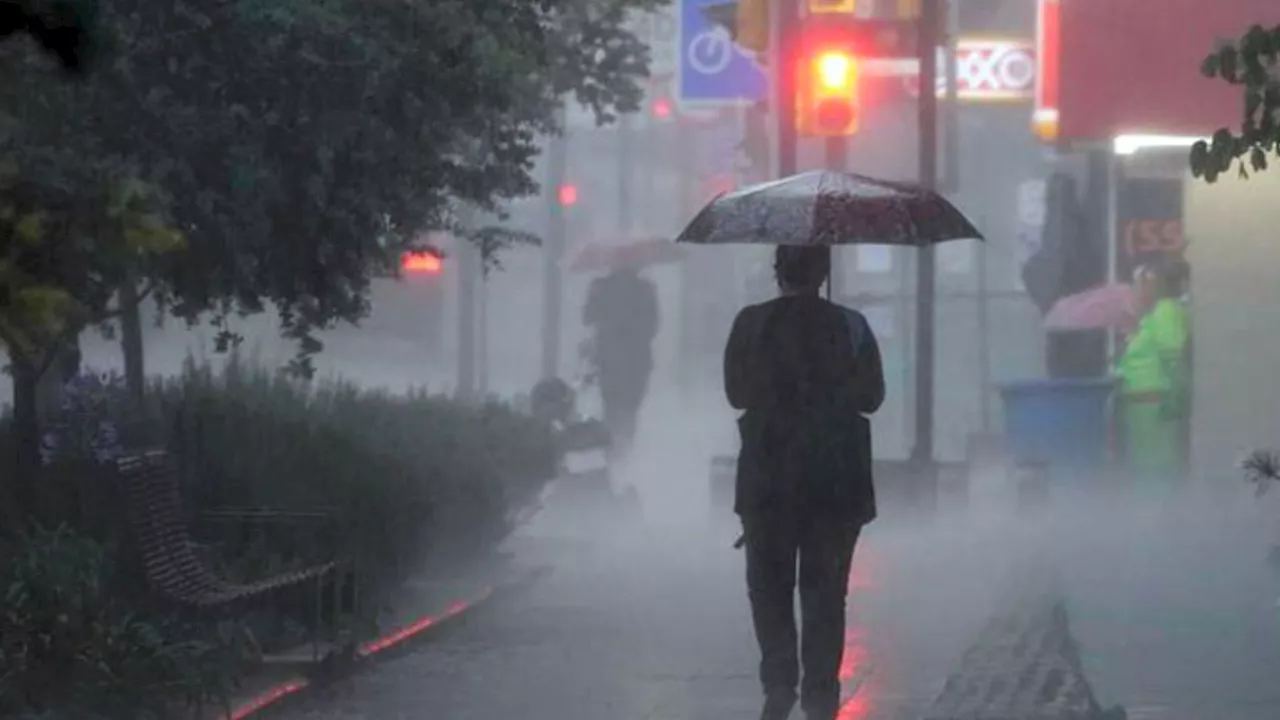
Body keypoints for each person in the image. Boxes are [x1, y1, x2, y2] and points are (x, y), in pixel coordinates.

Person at [723, 245, 885, 720]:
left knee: (769, 588)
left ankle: (778, 682)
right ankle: (820, 692)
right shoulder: (850, 326)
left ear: (778, 272)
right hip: (835, 483)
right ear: (823, 272)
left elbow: (736, 393)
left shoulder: (749, 324)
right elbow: (872, 398)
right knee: (825, 591)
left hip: (766, 482)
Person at [1116, 258, 1191, 497]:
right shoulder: (1154, 315)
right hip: (1142, 405)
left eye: (1144, 282)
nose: (1139, 288)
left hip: (1154, 404)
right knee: (1144, 468)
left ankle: (1157, 515)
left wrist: (1176, 396)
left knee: (1155, 469)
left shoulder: (1166, 311)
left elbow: (1173, 357)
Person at [582, 264, 659, 454]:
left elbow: (587, 318)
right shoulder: (645, 289)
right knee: (625, 407)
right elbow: (653, 325)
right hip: (629, 360)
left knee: (617, 406)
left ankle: (616, 447)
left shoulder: (602, 287)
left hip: (619, 359)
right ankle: (621, 448)